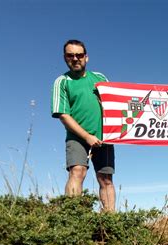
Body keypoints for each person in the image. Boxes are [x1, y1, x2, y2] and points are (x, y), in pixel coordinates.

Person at [51, 39, 116, 211]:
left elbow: (114, 103)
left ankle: (111, 222)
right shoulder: (62, 81)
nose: (75, 58)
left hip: (104, 137)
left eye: (79, 55)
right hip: (77, 137)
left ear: (86, 57)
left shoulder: (100, 78)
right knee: (77, 172)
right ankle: (73, 220)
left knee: (106, 179)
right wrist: (86, 136)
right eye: (70, 55)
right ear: (65, 58)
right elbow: (63, 115)